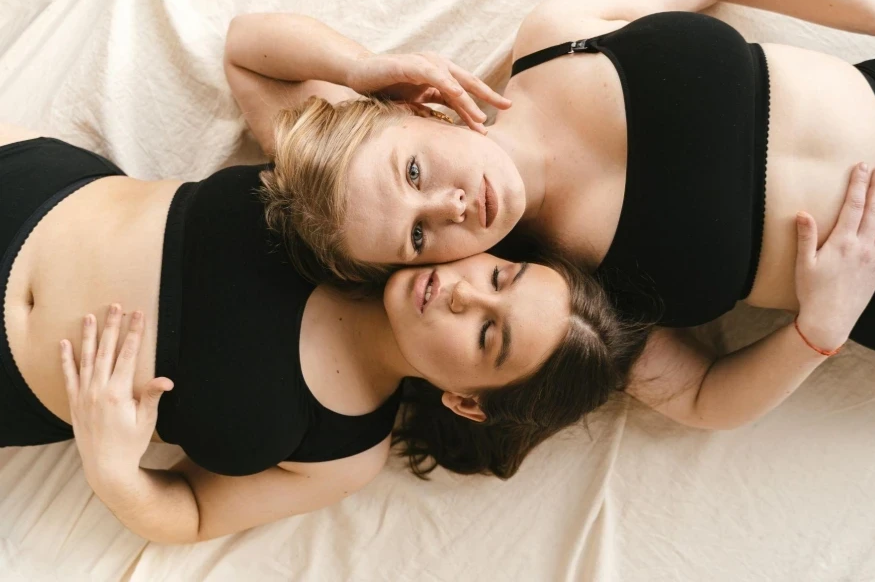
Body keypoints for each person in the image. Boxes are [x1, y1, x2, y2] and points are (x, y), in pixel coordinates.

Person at [224, 0, 875, 430]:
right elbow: (699, 397)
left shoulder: (556, 39)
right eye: (420, 236)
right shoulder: (559, 292)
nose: (451, 204)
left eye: (414, 169)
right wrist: (821, 329)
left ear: (418, 106)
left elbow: (247, 52)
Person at [0, 124, 647, 543]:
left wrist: (114, 472)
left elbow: (193, 513)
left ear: (468, 400)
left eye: (487, 335)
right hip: (30, 186)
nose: (463, 291)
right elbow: (255, 57)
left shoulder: (344, 451)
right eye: (501, 276)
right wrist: (363, 72)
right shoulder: (370, 209)